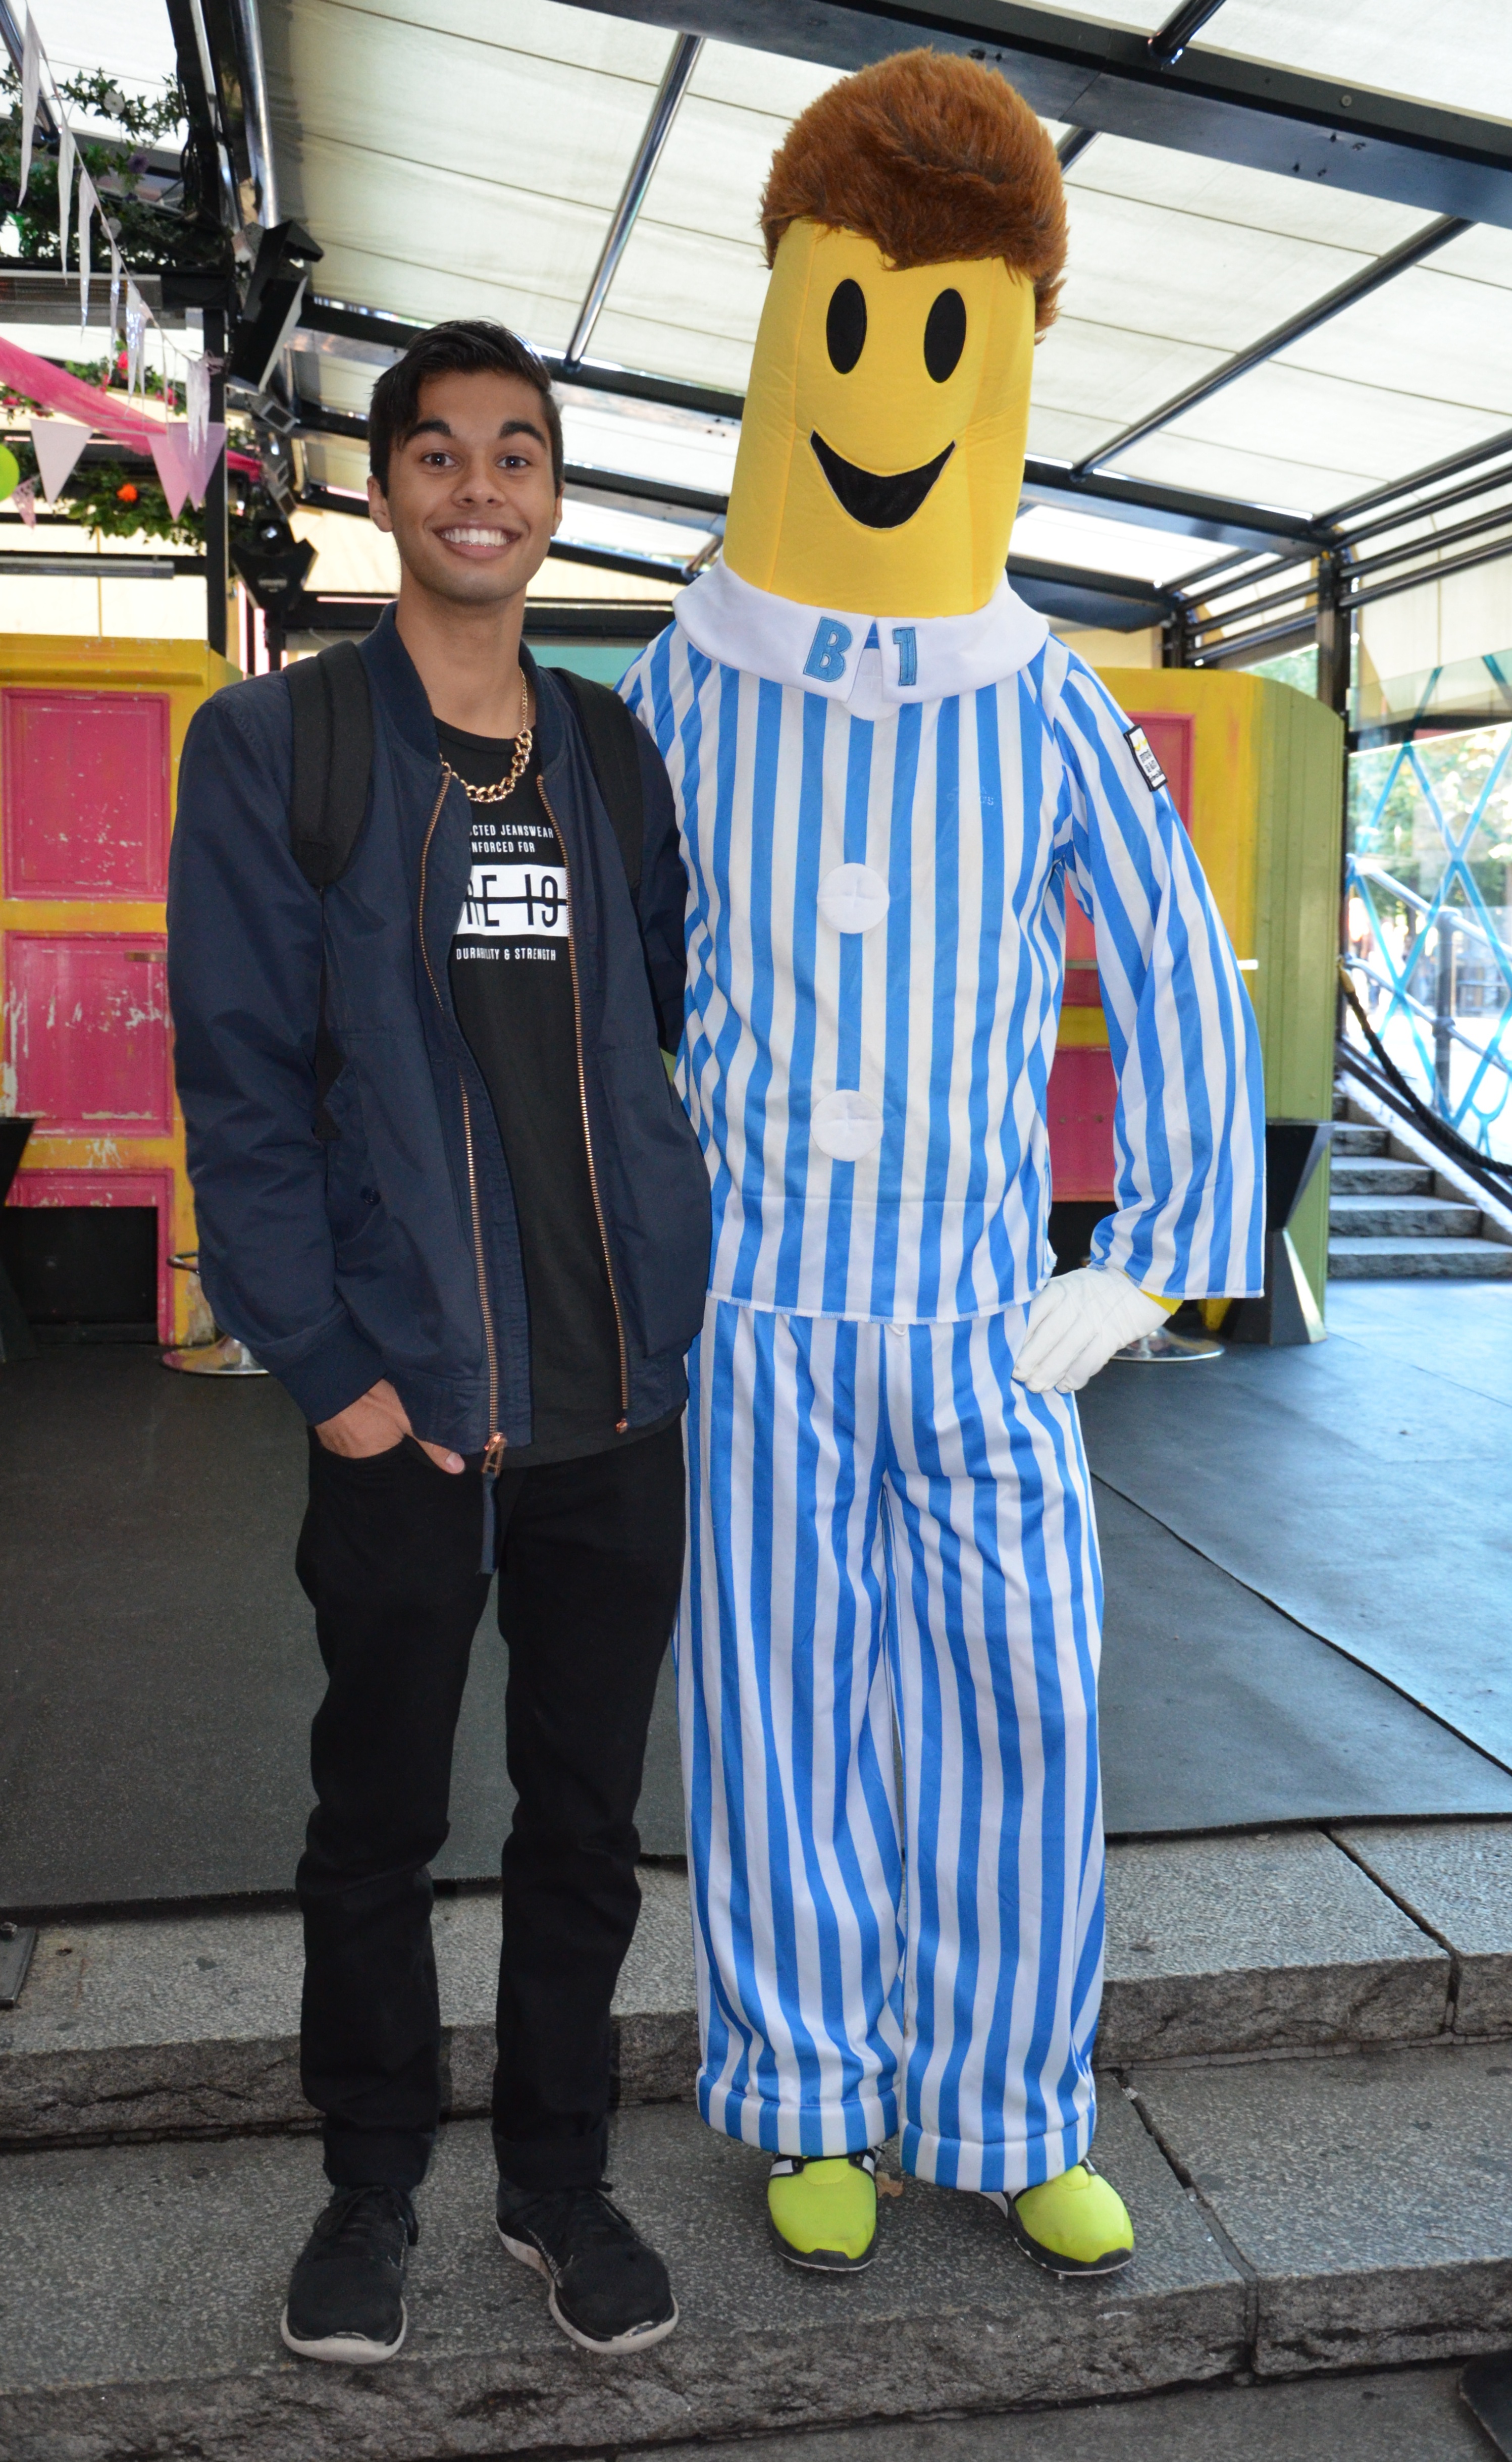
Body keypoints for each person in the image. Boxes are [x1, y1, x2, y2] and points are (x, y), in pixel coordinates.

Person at [622, 54, 1265, 2279]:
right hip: (758, 1314)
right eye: (851, 318)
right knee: (774, 1714)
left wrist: (1154, 1249)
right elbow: (600, 974)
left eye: (937, 333)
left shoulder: (1048, 700)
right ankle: (811, 2094)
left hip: (984, 1313)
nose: (886, 386)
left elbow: (1172, 951)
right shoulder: (679, 685)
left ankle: (1002, 2101)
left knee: (1021, 1696)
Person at [168, 320, 711, 2363]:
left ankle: (556, 2183)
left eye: (518, 452)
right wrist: (330, 1373)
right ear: (383, 487)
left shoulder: (612, 758)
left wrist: (669, 1284)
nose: (480, 486)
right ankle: (370, 2180)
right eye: (439, 452)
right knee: (376, 1824)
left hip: (615, 1404)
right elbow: (238, 1085)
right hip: (401, 1406)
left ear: (553, 495)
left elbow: (650, 1022)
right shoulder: (280, 748)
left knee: (581, 1824)